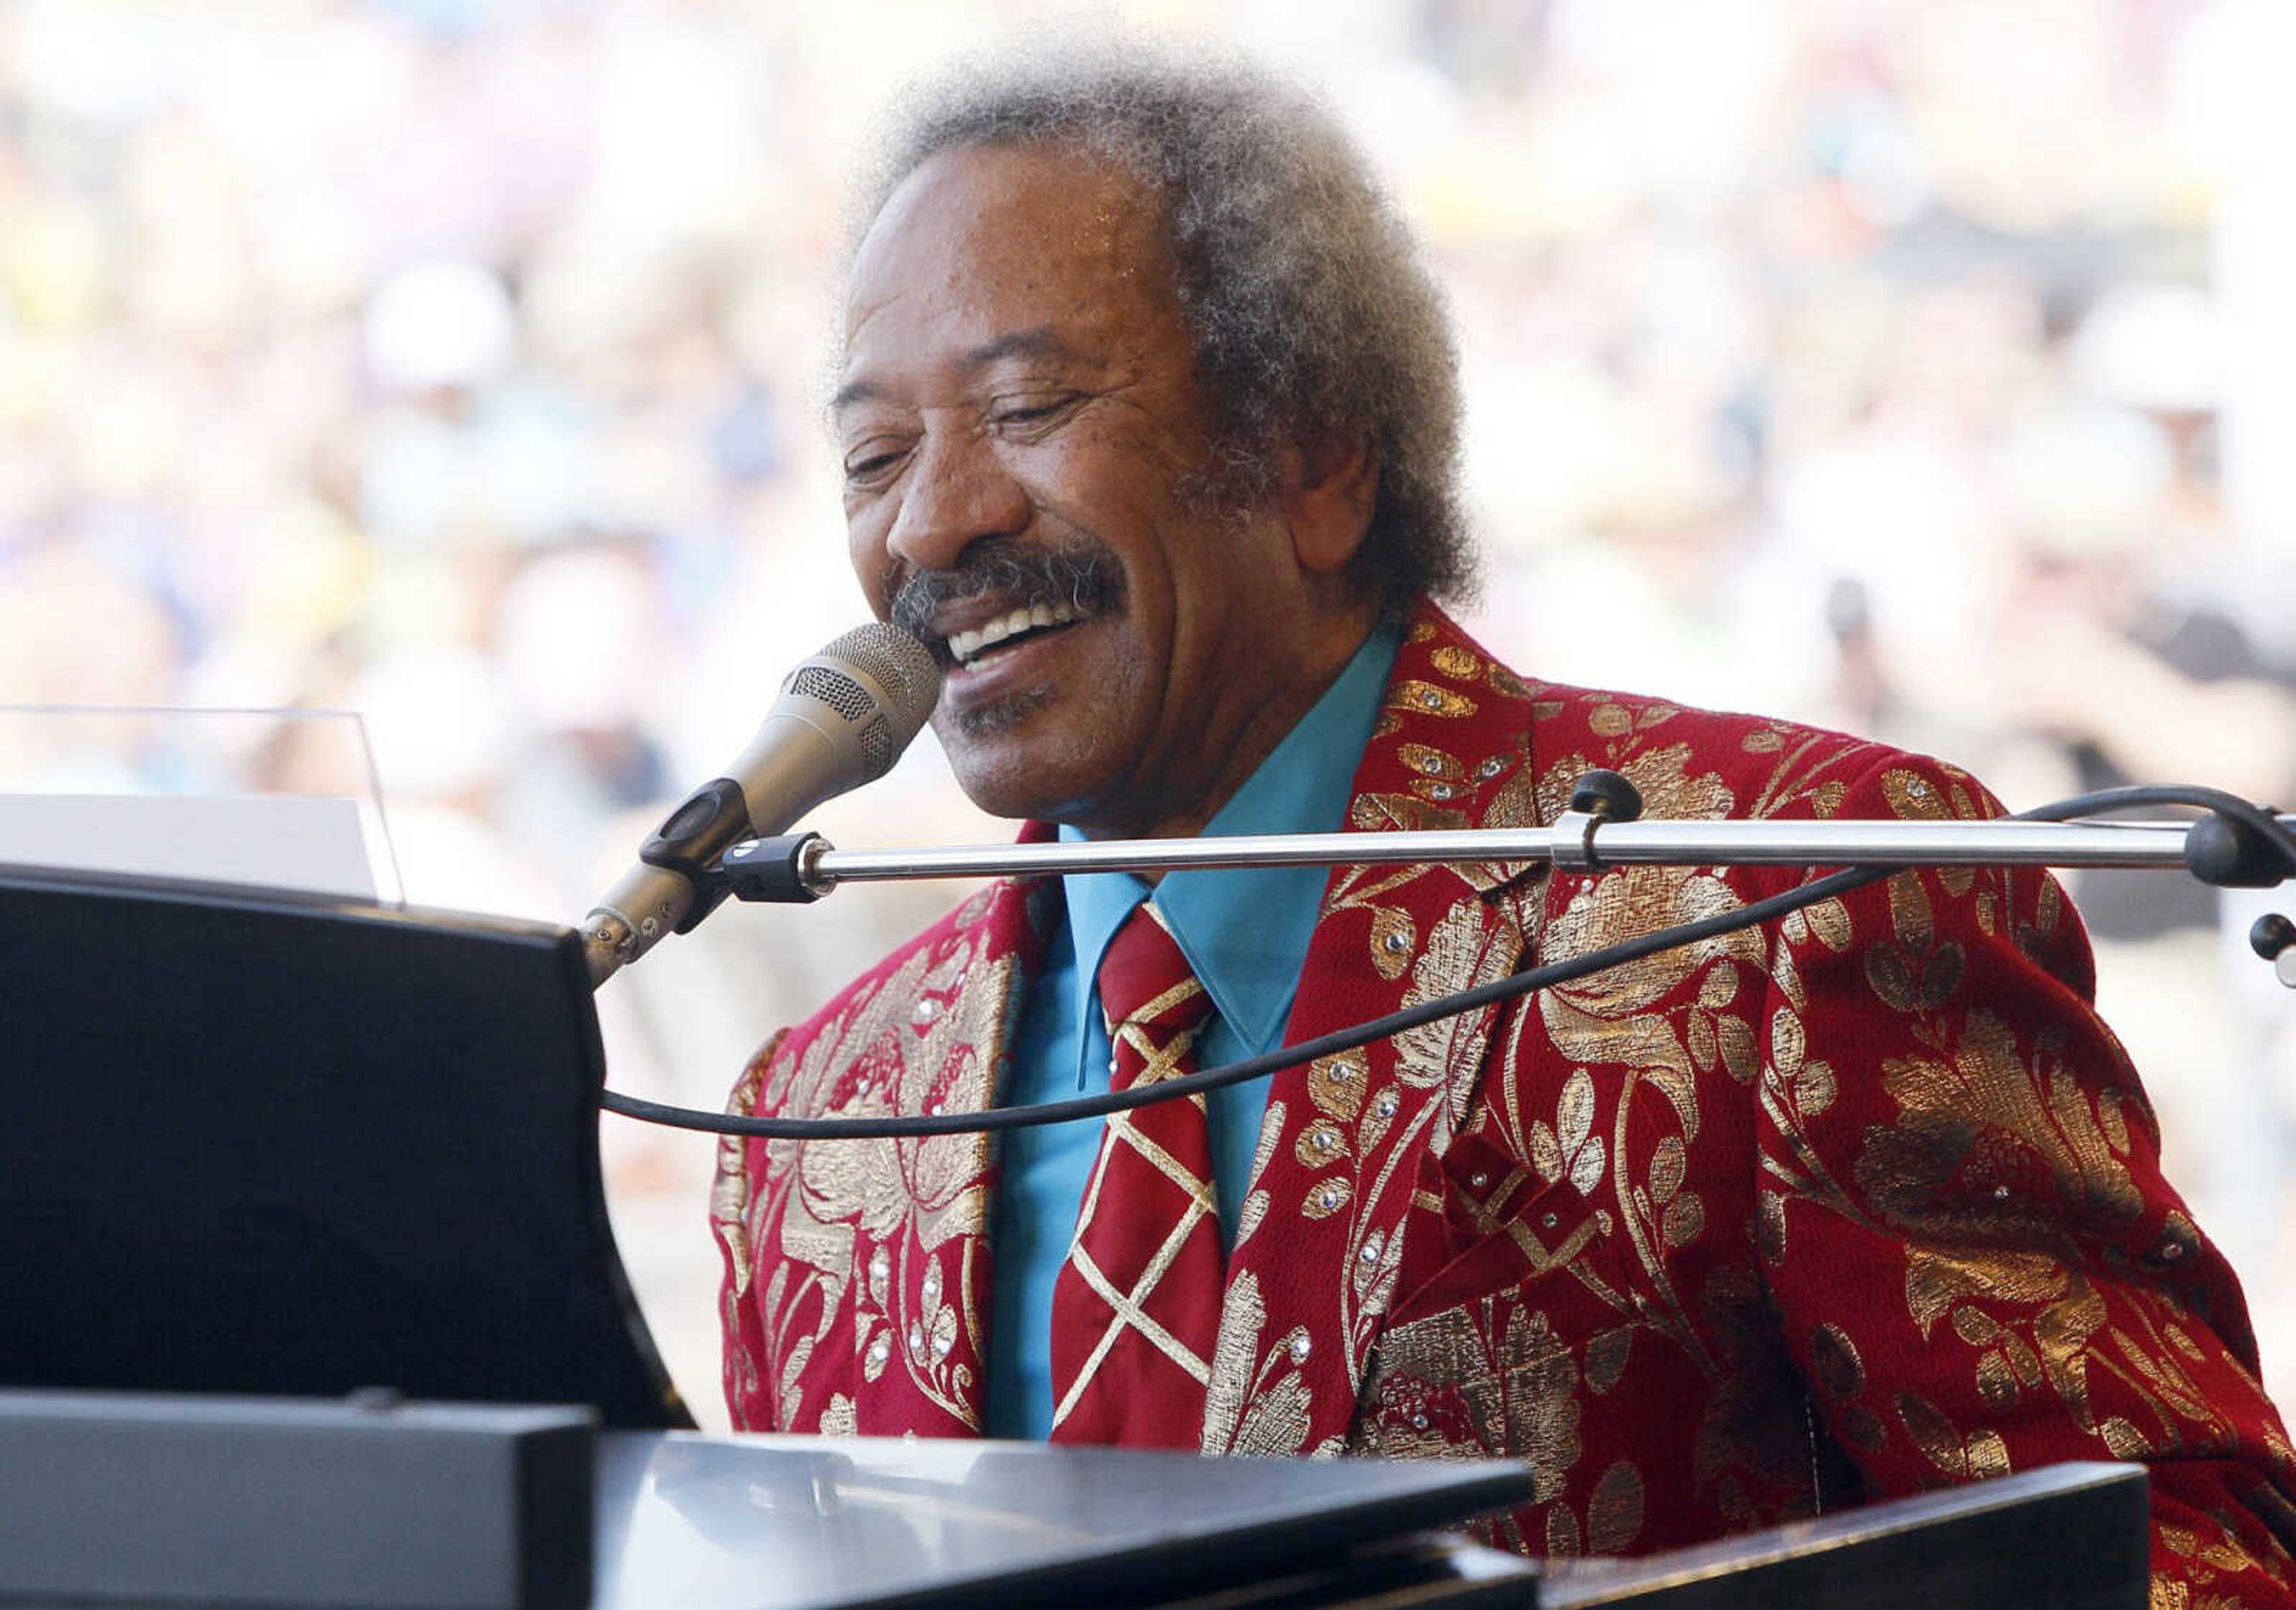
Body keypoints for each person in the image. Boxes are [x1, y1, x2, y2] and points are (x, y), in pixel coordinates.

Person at [710, 48, 2296, 1600]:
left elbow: (2182, 1559)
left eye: (1029, 405)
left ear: (1315, 453)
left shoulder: (1795, 892)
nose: (932, 521)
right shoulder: (815, 1114)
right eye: (874, 453)